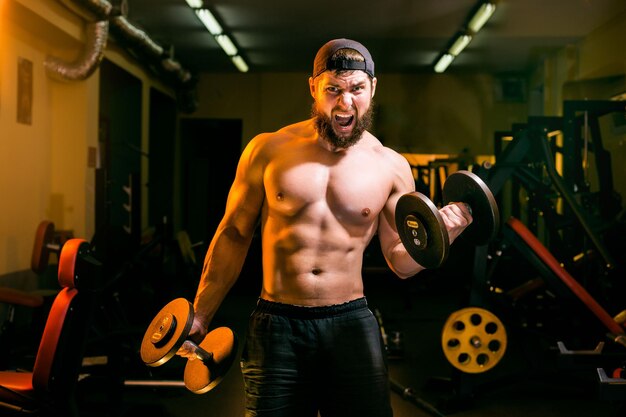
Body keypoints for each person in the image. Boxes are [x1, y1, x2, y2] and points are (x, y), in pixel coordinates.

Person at [177, 38, 472, 416]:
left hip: (350, 322)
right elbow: (233, 234)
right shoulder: (267, 151)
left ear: (373, 88)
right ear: (313, 87)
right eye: (333, 89)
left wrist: (443, 233)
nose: (345, 103)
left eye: (356, 89)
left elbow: (401, 262)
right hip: (277, 323)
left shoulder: (391, 166)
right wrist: (200, 314)